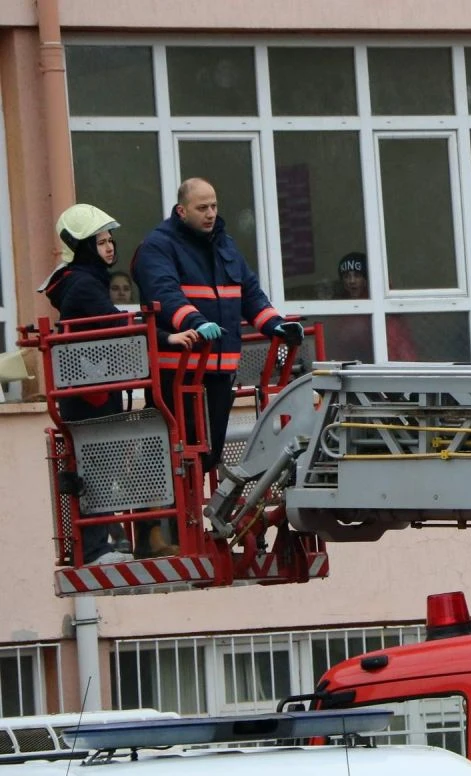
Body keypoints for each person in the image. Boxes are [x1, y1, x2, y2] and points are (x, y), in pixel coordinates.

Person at [41, 204, 199, 564]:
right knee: (96, 468)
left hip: (94, 392)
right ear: (82, 246)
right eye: (101, 242)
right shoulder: (82, 285)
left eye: (111, 240)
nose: (110, 247)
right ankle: (97, 549)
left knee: (102, 466)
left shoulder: (83, 281)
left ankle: (115, 542)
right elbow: (116, 325)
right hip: (90, 397)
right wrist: (167, 338)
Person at [133, 178, 302, 473]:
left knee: (208, 456)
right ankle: (163, 521)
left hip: (219, 371)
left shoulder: (224, 243)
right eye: (202, 208)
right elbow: (165, 293)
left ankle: (187, 518)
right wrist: (195, 322)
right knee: (177, 458)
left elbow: (249, 292)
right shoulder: (158, 246)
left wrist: (275, 324)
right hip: (179, 373)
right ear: (181, 211)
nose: (211, 213)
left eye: (214, 206)